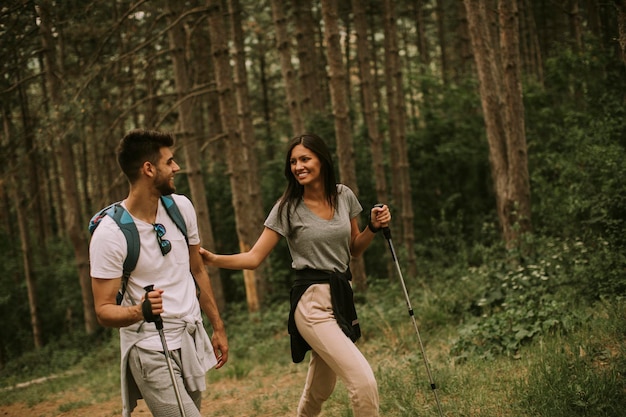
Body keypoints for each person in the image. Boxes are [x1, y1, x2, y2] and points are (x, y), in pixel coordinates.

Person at [199, 133, 390, 417]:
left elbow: (355, 249)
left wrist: (372, 228)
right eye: (293, 161)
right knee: (363, 382)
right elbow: (253, 258)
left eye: (304, 159)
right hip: (311, 305)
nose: (298, 166)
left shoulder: (343, 195)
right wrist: (213, 259)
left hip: (340, 298)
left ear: (321, 161)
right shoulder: (287, 208)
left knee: (320, 387)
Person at [89, 129, 229, 417]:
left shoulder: (182, 208)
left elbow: (197, 269)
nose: (176, 167)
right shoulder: (110, 234)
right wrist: (139, 311)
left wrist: (217, 326)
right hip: (150, 345)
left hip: (188, 337)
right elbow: (103, 311)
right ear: (149, 169)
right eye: (170, 161)